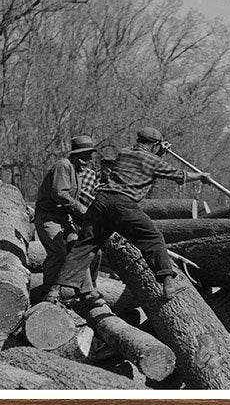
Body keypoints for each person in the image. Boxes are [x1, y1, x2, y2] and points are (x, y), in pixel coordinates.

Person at [49, 126, 209, 303]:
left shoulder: (124, 153)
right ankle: (168, 284)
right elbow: (180, 175)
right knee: (153, 238)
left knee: (84, 246)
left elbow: (143, 164)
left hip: (101, 202)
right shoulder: (153, 161)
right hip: (123, 206)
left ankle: (55, 291)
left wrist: (158, 152)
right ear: (154, 144)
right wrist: (201, 176)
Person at [33, 135, 101, 293]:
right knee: (58, 252)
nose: (88, 160)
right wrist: (81, 209)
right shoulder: (64, 166)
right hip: (48, 217)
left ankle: (87, 291)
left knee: (84, 249)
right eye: (86, 155)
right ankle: (49, 290)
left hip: (64, 217)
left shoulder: (76, 170)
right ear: (78, 154)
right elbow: (60, 194)